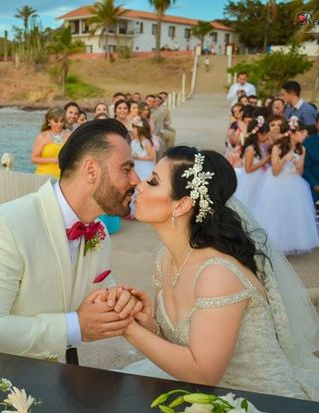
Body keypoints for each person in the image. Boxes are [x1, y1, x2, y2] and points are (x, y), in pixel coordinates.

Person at [122, 146, 319, 399]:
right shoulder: (165, 258)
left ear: (182, 204)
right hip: (203, 397)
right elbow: (181, 346)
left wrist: (128, 329)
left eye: (153, 182)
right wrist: (144, 321)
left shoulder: (216, 273)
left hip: (256, 405)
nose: (139, 185)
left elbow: (204, 374)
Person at [0, 119, 142, 361]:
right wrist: (75, 327)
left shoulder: (98, 231)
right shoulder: (3, 227)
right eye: (126, 168)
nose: (136, 180)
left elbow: (100, 292)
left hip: (49, 371)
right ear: (91, 170)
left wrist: (122, 303)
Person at [253, 116, 319, 255]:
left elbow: (300, 172)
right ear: (293, 133)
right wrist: (285, 158)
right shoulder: (277, 147)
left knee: (293, 213)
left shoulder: (302, 149)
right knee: (276, 213)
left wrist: (298, 162)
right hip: (277, 182)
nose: (305, 135)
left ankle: (291, 242)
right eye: (303, 133)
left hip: (294, 182)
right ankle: (274, 243)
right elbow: (276, 171)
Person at [30, 107, 71, 178]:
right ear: (49, 120)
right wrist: (53, 160)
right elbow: (34, 159)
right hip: (44, 176)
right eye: (56, 121)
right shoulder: (42, 136)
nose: (59, 124)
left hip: (64, 177)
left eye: (62, 121)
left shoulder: (70, 135)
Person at [130, 116, 156, 180]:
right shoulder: (133, 142)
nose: (132, 130)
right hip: (136, 166)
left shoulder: (146, 142)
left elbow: (152, 157)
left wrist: (138, 157)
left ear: (140, 129)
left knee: (143, 179)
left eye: (134, 128)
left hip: (145, 166)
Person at [302, 115, 319, 204]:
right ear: (316, 125)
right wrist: (315, 185)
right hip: (314, 189)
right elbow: (304, 167)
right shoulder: (308, 143)